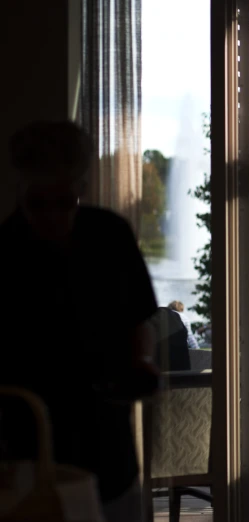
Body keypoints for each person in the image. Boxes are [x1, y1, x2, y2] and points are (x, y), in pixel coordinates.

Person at [0, 121, 159, 521]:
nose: (53, 216)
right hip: (28, 447)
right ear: (19, 189)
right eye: (38, 203)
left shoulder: (111, 234)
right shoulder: (5, 252)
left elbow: (140, 321)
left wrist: (137, 366)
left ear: (81, 188)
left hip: (108, 440)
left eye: (64, 202)